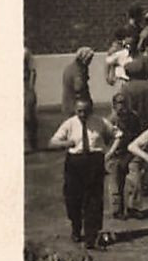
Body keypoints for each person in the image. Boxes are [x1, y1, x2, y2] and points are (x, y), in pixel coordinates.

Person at [48, 97, 114, 248]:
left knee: (94, 199)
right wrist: (67, 143)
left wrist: (108, 151)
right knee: (73, 198)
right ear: (75, 110)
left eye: (86, 111)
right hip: (75, 163)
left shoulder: (100, 122)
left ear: (91, 109)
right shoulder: (70, 123)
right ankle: (76, 229)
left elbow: (116, 135)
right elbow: (52, 142)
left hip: (94, 162)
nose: (83, 114)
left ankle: (92, 236)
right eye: (79, 111)